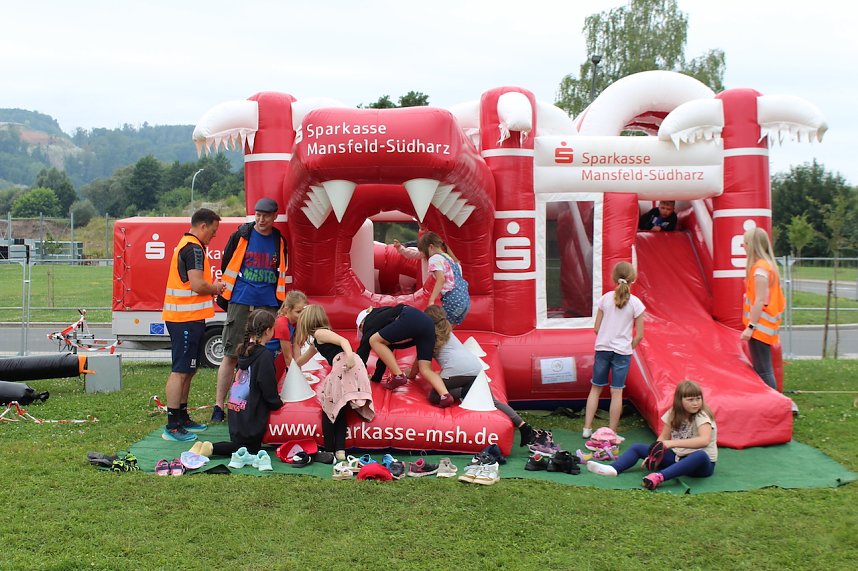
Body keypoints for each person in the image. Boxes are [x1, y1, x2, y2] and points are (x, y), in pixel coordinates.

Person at [211, 197, 288, 423]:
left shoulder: (279, 240)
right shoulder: (241, 235)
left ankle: (258, 401)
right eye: (257, 215)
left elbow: (281, 272)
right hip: (241, 300)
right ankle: (218, 406)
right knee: (231, 354)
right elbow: (226, 264)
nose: (261, 219)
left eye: (265, 215)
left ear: (274, 216)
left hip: (269, 304)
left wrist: (280, 304)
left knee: (266, 355)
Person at [424, 305, 538, 446]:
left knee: (435, 396)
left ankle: (464, 391)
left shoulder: (428, 337)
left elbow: (422, 366)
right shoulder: (448, 332)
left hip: (456, 371)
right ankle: (523, 426)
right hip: (476, 368)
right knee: (493, 401)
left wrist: (409, 374)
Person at [161, 208, 226, 442]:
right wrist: (216, 288)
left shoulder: (189, 245)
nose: (214, 236)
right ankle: (172, 425)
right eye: (214, 231)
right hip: (183, 320)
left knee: (189, 369)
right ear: (203, 226)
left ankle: (183, 416)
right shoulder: (194, 248)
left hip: (191, 318)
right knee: (180, 371)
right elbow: (198, 285)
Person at [587, 380, 717, 491]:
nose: (696, 403)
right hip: (679, 458)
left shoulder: (702, 415)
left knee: (700, 455)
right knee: (637, 447)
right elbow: (663, 438)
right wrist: (654, 455)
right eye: (690, 399)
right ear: (679, 401)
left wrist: (671, 443)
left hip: (702, 466)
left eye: (698, 398)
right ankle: (613, 469)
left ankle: (658, 477)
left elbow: (704, 440)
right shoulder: (674, 413)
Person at [294, 305, 374, 463]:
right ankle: (340, 450)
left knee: (328, 407)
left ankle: (329, 450)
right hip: (348, 365)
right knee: (339, 407)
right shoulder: (317, 341)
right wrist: (293, 367)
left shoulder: (320, 333)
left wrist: (350, 357)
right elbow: (303, 360)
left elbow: (343, 341)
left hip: (345, 364)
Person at [206, 309, 285, 462]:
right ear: (268, 330)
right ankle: (211, 447)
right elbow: (268, 387)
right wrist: (278, 403)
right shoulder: (264, 356)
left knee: (240, 445)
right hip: (251, 421)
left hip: (236, 416)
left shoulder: (244, 350)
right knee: (249, 449)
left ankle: (211, 447)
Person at [582, 261, 645, 438]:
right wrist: (627, 346)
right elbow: (639, 335)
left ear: (614, 277)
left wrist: (605, 339)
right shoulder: (636, 303)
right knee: (616, 391)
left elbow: (596, 328)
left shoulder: (605, 298)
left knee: (595, 388)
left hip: (603, 348)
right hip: (621, 352)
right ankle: (611, 432)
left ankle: (587, 428)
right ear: (633, 279)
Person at [355, 304, 454, 406]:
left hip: (409, 316)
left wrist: (358, 375)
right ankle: (445, 395)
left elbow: (363, 350)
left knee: (373, 340)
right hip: (428, 326)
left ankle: (398, 375)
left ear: (362, 324)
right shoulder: (385, 321)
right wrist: (377, 378)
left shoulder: (369, 322)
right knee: (425, 369)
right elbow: (385, 354)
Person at [740, 227, 786, 390]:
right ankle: (772, 404)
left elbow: (760, 300)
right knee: (764, 369)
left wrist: (750, 328)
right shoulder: (767, 266)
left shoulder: (760, 269)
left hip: (760, 327)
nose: (743, 246)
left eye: (745, 243)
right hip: (763, 326)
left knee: (764, 370)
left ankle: (774, 406)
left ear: (751, 245)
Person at [416, 231, 470, 325]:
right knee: (447, 331)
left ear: (431, 247)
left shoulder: (435, 258)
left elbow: (441, 279)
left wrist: (431, 300)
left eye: (426, 254)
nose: (427, 257)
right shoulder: (450, 259)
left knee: (438, 329)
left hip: (452, 300)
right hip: (465, 300)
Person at [273, 290, 308, 376]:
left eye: (303, 311)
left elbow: (296, 347)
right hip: (268, 359)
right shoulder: (282, 324)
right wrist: (297, 377)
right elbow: (288, 358)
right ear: (287, 309)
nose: (302, 315)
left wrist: (299, 373)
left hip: (277, 357)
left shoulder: (296, 322)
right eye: (298, 312)